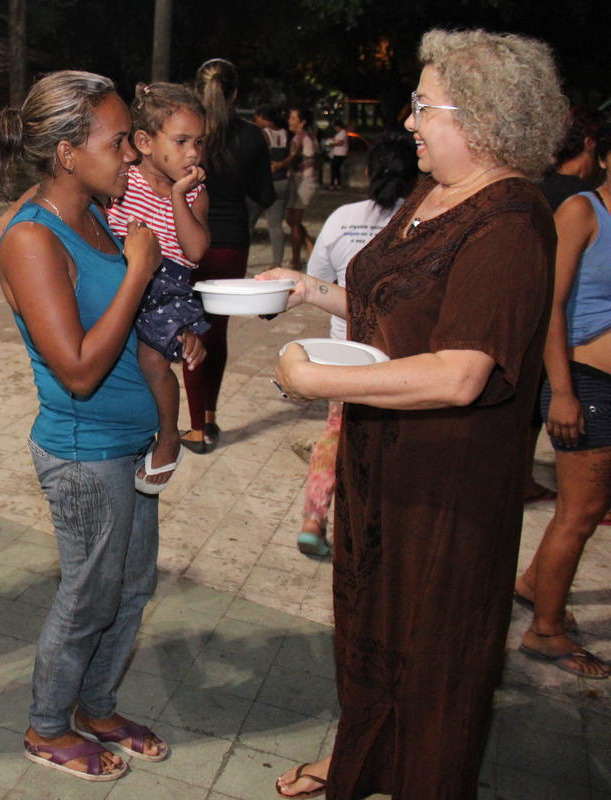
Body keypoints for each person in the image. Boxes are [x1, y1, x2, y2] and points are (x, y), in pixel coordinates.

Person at [264, 29, 565, 799]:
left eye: (423, 106)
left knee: (434, 655)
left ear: (483, 120)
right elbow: (392, 301)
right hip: (383, 466)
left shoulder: (512, 223)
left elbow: (464, 373)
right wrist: (308, 291)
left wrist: (316, 380)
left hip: (447, 491)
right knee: (370, 631)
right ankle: (361, 759)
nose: (409, 122)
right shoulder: (438, 195)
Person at [0, 70, 169, 783]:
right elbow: (79, 370)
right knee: (89, 593)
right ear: (67, 152)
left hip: (129, 444)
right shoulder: (35, 241)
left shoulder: (95, 216)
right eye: (119, 140)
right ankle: (47, 726)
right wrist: (137, 275)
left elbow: (113, 333)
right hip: (83, 451)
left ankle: (96, 705)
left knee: (131, 587)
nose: (132, 153)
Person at [511, 123, 611, 680]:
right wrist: (563, 391)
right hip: (585, 383)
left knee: (588, 510)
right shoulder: (583, 211)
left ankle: (532, 584)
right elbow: (548, 305)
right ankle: (545, 630)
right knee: (580, 513)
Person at [296, 132, 418, 558]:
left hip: (344, 350)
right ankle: (375, 530)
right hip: (403, 353)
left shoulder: (342, 218)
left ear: (368, 173)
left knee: (337, 432)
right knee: (392, 443)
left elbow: (317, 276)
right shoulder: (422, 223)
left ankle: (315, 516)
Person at [105, 82, 209, 493]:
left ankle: (170, 436)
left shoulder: (195, 190)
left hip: (167, 289)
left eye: (199, 142)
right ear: (144, 142)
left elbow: (196, 251)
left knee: (152, 361)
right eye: (182, 141)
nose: (194, 153)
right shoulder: (123, 180)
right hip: (123, 278)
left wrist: (180, 197)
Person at [181, 58, 274, 454]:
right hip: (231, 242)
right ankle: (210, 417)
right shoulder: (252, 138)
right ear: (235, 93)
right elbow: (264, 196)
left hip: (188, 241)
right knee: (215, 334)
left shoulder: (186, 136)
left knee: (190, 333)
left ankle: (196, 427)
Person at [281, 107, 319, 268]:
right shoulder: (300, 137)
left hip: (304, 181)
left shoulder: (304, 138)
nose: (290, 121)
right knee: (291, 219)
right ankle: (310, 244)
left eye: (293, 118)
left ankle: (296, 259)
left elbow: (306, 159)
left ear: (302, 122)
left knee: (294, 221)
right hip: (299, 180)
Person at [255, 106, 289, 268]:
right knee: (276, 226)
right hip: (282, 180)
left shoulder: (264, 133)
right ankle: (277, 263)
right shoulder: (285, 133)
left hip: (265, 182)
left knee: (248, 222)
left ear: (262, 117)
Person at [327, 119, 348, 189]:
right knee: (336, 169)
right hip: (337, 153)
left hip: (340, 154)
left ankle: (332, 184)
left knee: (334, 168)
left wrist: (332, 144)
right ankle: (338, 184)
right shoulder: (339, 133)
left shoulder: (343, 132)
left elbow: (341, 143)